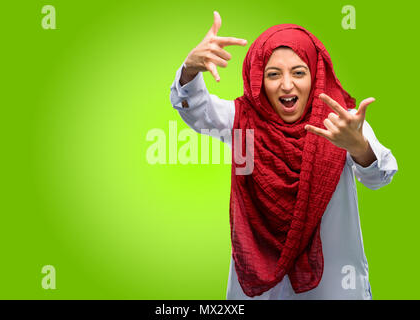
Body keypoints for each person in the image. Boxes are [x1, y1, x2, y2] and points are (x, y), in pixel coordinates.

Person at [169, 11, 398, 300]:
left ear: (315, 75)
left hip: (333, 287)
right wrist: (190, 69)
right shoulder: (242, 120)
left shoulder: (342, 122)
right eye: (273, 74)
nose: (287, 85)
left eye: (299, 72)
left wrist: (358, 146)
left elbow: (381, 176)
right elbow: (196, 110)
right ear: (258, 80)